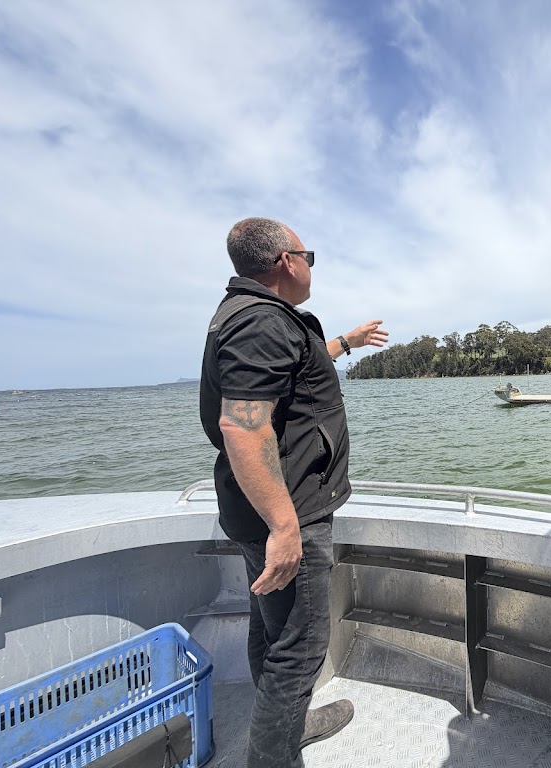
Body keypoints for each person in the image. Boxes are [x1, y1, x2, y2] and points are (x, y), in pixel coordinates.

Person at [199, 217, 388, 768]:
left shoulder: (254, 316)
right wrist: (285, 526)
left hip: (259, 506)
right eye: (308, 253)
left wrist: (344, 344)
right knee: (299, 649)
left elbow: (289, 377)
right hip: (288, 513)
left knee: (271, 629)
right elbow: (243, 424)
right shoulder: (260, 321)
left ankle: (290, 729)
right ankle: (273, 755)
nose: (310, 263)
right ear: (286, 261)